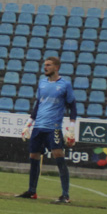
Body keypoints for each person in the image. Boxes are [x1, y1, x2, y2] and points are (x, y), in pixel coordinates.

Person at [17, 56, 76, 203]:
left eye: (48, 65)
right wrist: (28, 124)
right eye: (45, 65)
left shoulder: (65, 85)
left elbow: (72, 106)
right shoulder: (42, 83)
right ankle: (32, 191)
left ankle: (65, 195)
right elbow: (38, 105)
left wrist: (72, 128)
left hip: (53, 127)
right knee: (34, 156)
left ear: (56, 67)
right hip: (38, 127)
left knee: (58, 155)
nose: (45, 67)